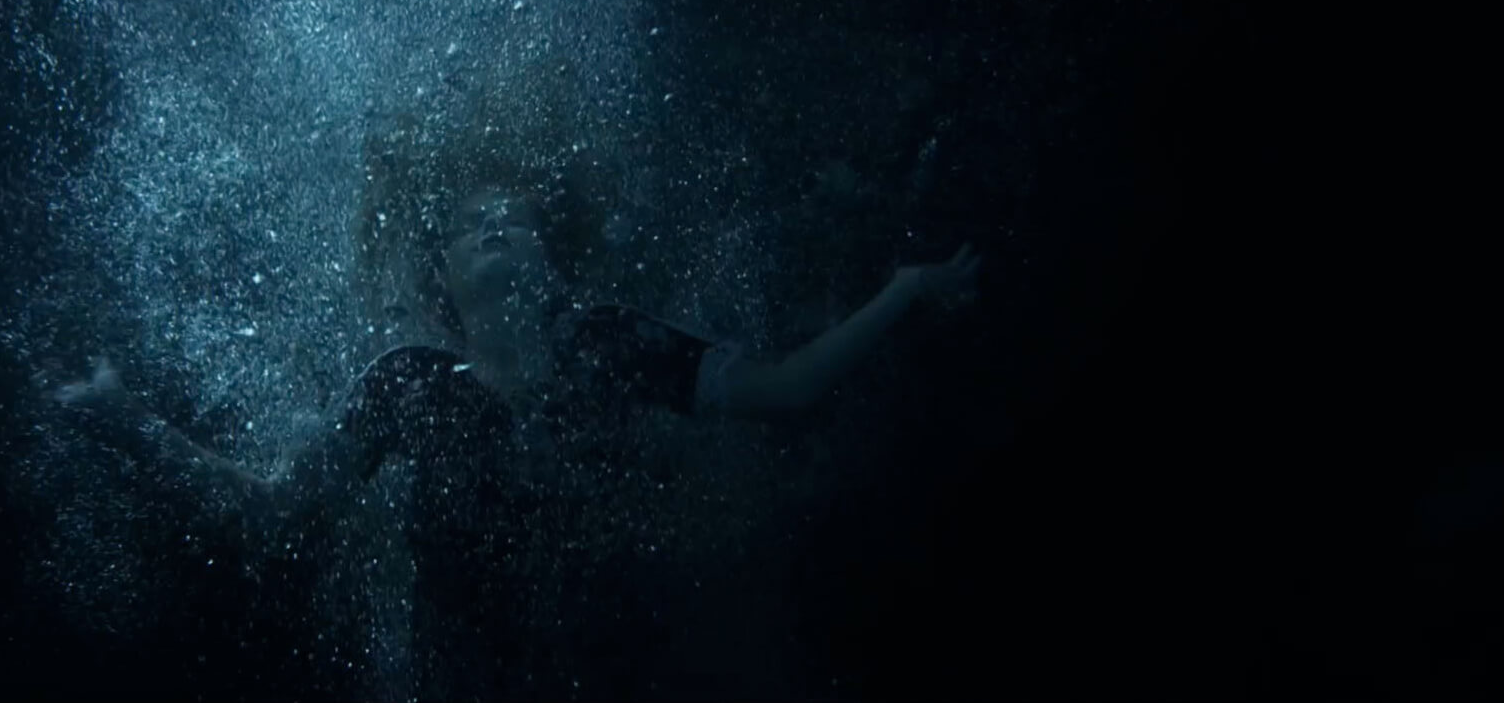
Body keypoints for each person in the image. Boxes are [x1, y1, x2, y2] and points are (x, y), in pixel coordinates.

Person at [54, 117, 983, 699]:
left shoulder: (607, 342)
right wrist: (127, 416)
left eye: (517, 216)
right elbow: (277, 508)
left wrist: (904, 290)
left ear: (551, 256)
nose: (496, 223)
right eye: (470, 225)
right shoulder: (408, 383)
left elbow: (786, 390)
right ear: (443, 276)